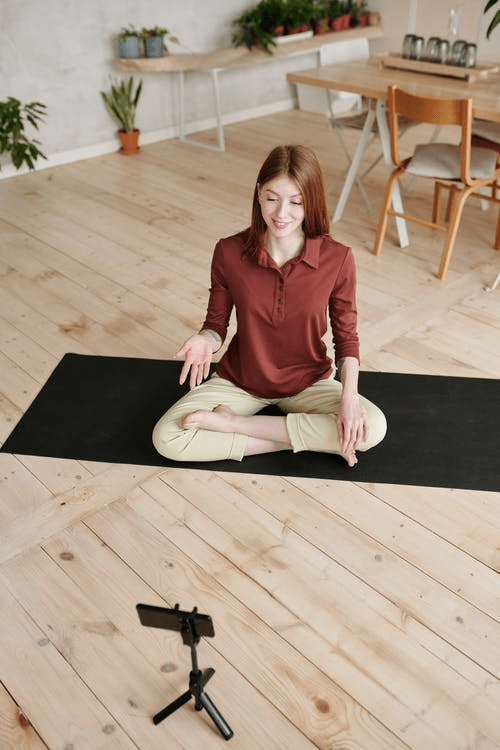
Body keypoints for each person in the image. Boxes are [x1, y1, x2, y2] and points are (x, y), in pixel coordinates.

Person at [152, 144, 386, 467]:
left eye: (296, 202)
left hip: (309, 382)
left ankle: (234, 424)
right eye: (272, 198)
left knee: (372, 426)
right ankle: (310, 441)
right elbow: (216, 324)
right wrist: (206, 339)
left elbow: (346, 338)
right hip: (241, 381)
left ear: (311, 202)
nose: (281, 214)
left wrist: (348, 398)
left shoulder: (338, 258)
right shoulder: (228, 252)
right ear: (259, 193)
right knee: (167, 438)